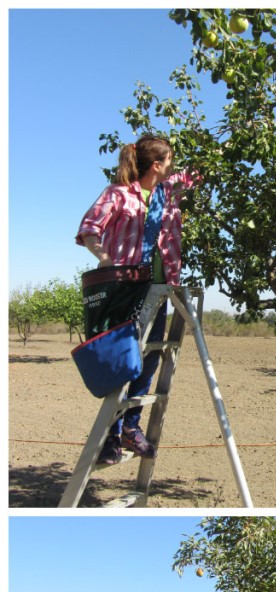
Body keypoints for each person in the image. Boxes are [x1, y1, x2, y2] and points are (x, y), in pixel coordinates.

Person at [76, 135, 200, 465]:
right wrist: (105, 258)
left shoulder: (167, 191)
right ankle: (110, 437)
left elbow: (202, 171)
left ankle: (132, 427)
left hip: (160, 289)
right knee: (123, 363)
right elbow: (89, 228)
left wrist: (236, 129)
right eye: (169, 159)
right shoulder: (118, 193)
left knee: (150, 359)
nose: (173, 165)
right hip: (127, 288)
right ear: (157, 165)